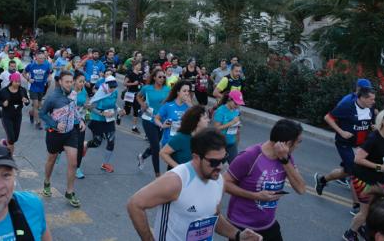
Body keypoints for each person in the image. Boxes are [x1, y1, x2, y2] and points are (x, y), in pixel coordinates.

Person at [127, 128, 262, 241]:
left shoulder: (219, 181)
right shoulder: (176, 181)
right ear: (197, 157)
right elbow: (135, 204)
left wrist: (238, 235)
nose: (220, 167)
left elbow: (212, 217)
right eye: (214, 162)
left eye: (224, 159)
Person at [224, 119, 306, 241]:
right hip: (242, 226)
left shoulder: (286, 159)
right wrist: (255, 195)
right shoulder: (250, 156)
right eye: (298, 142)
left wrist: (285, 161)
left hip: (267, 224)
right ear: (288, 143)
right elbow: (224, 183)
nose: (298, 146)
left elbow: (301, 188)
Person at [314, 87, 376, 216]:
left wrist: (372, 126)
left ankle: (322, 180)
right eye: (371, 99)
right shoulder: (347, 106)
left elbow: (368, 123)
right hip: (345, 144)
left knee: (346, 171)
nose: (373, 101)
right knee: (355, 172)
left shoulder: (370, 108)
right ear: (362, 98)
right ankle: (356, 205)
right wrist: (341, 132)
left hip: (360, 146)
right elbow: (328, 118)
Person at [342, 109, 384, 241]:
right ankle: (350, 233)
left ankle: (367, 229)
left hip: (379, 178)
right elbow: (358, 159)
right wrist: (380, 167)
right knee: (365, 212)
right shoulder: (373, 138)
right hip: (363, 179)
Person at [39, 71, 84, 208]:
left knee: (73, 162)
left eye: (71, 81)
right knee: (51, 159)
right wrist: (54, 124)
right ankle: (47, 182)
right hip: (55, 134)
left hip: (71, 133)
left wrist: (80, 120)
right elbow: (42, 113)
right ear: (60, 82)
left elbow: (74, 109)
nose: (70, 84)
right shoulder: (53, 98)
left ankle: (69, 192)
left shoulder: (73, 94)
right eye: (67, 82)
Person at [137, 68, 170, 177]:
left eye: (164, 77)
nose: (162, 79)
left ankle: (142, 156)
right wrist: (142, 104)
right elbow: (138, 96)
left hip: (161, 121)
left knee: (154, 145)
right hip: (148, 119)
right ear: (154, 77)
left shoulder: (167, 89)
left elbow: (170, 102)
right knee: (156, 147)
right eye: (160, 76)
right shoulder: (147, 88)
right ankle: (158, 174)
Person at [85, 75, 121, 173]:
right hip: (97, 119)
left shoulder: (115, 92)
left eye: (114, 87)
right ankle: (86, 145)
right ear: (106, 85)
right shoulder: (100, 93)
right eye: (111, 87)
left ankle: (105, 164)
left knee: (111, 141)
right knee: (97, 143)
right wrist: (102, 113)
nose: (113, 89)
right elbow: (90, 107)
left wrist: (119, 109)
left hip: (109, 120)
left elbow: (113, 103)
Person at [0, 72, 30, 155]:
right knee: (11, 139)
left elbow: (27, 102)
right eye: (16, 81)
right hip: (6, 115)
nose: (18, 83)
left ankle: (5, 143)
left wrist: (26, 101)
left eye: (19, 81)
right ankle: (10, 158)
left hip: (17, 116)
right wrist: (3, 104)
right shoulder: (4, 91)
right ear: (11, 81)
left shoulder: (22, 90)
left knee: (15, 138)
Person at [155, 80, 193, 150]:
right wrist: (162, 125)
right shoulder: (168, 105)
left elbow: (197, 121)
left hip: (183, 143)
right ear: (178, 92)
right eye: (184, 91)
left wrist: (190, 105)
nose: (187, 93)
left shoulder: (189, 107)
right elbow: (156, 118)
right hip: (169, 143)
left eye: (188, 91)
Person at [214, 90, 245, 163]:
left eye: (239, 104)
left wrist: (237, 140)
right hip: (221, 144)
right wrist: (231, 122)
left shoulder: (236, 111)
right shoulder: (220, 110)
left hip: (232, 143)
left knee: (235, 165)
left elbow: (236, 128)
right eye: (236, 103)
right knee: (217, 166)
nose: (237, 106)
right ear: (229, 99)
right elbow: (216, 128)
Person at [24, 51, 53, 130]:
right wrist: (28, 79)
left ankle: (31, 113)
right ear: (36, 57)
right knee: (36, 105)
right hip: (33, 88)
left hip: (41, 88)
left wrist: (49, 78)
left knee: (39, 106)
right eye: (40, 58)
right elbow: (24, 73)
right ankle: (38, 122)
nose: (41, 60)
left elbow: (50, 72)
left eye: (43, 58)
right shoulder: (31, 65)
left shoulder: (47, 65)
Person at [73, 72, 90, 179]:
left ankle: (77, 168)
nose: (82, 83)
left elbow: (84, 104)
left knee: (79, 145)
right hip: (69, 121)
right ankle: (59, 151)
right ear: (74, 81)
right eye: (80, 81)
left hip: (81, 121)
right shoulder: (69, 91)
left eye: (84, 81)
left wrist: (87, 106)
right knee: (65, 143)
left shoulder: (84, 90)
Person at [123, 61, 144, 134]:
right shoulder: (130, 74)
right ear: (134, 66)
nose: (139, 66)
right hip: (130, 94)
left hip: (137, 95)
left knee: (136, 111)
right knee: (127, 112)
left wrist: (141, 85)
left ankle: (134, 127)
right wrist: (133, 83)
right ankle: (119, 116)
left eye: (140, 65)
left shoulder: (140, 74)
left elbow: (141, 83)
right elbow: (124, 83)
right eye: (138, 65)